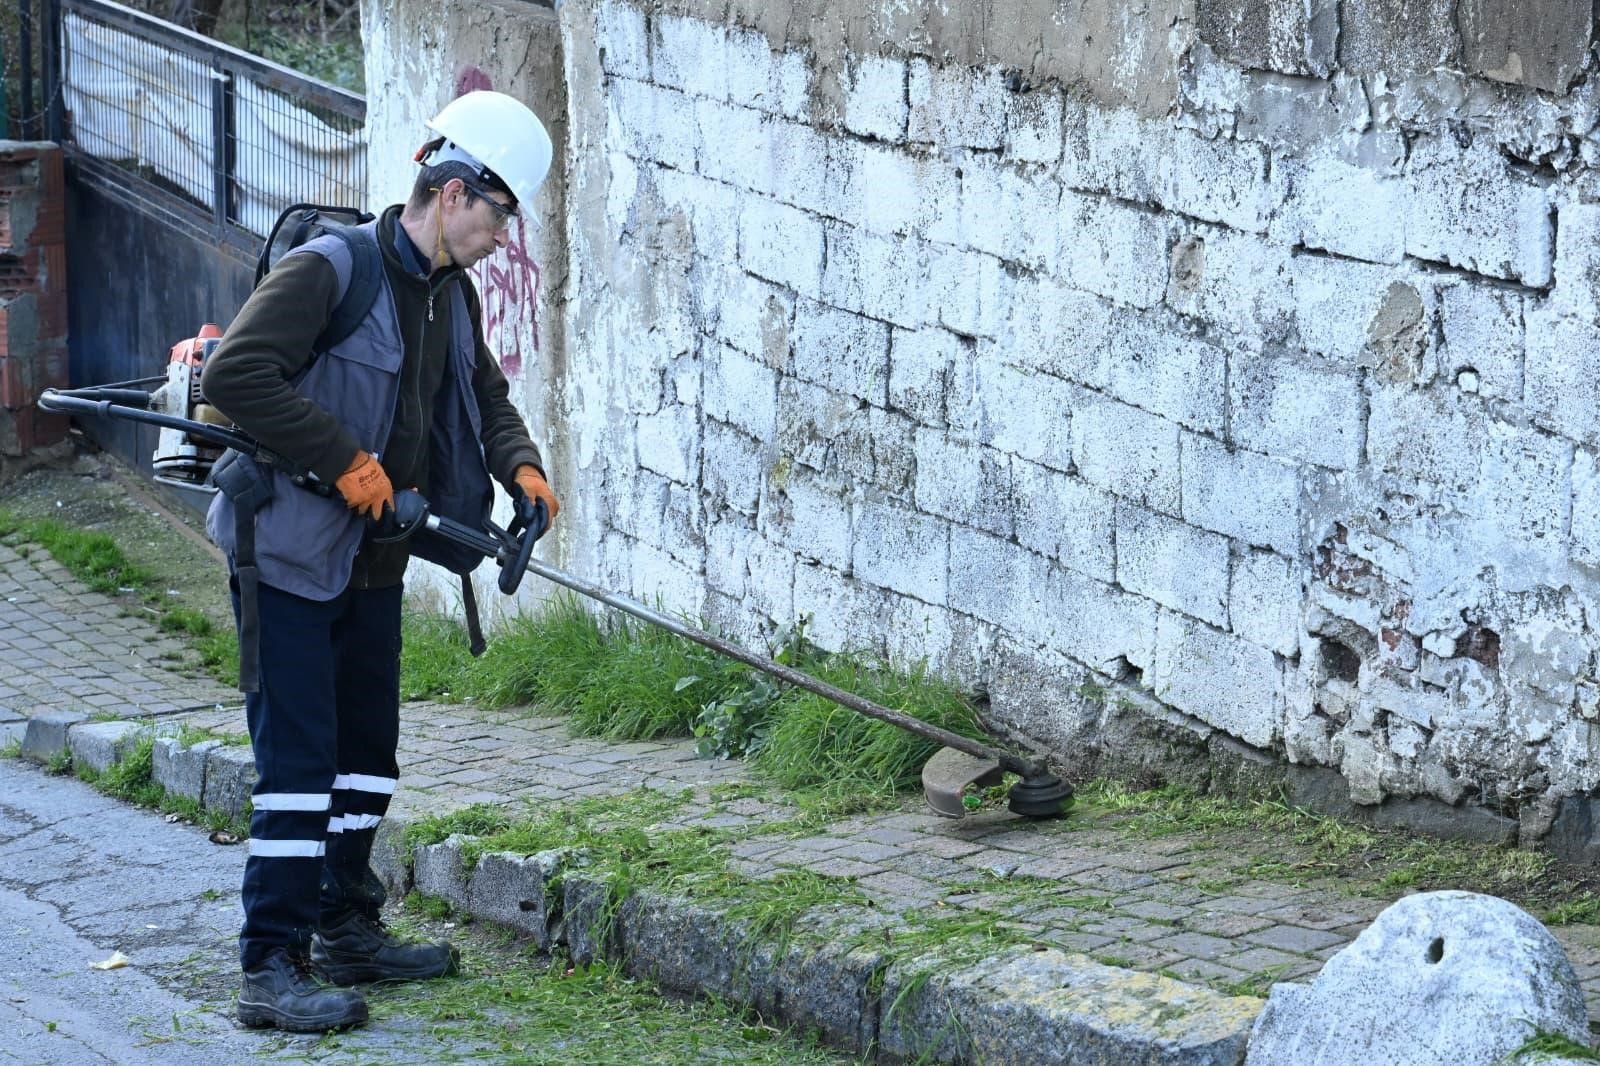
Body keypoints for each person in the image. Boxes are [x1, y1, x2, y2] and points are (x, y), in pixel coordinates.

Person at [200, 90, 562, 1033]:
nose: (498, 241)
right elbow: (235, 374)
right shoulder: (333, 270)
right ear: (450, 194)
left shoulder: (452, 294)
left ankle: (346, 926)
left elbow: (484, 394)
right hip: (285, 552)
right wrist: (343, 460)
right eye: (497, 219)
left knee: (366, 757)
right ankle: (269, 966)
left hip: (373, 561)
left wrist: (520, 467)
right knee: (299, 763)